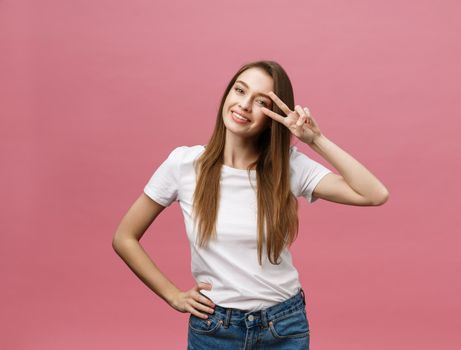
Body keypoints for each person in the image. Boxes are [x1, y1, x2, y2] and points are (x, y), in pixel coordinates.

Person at [112, 60, 389, 349]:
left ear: (274, 116)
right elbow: (124, 237)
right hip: (215, 328)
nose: (244, 105)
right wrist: (172, 294)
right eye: (240, 90)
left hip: (283, 325)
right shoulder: (184, 165)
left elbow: (374, 193)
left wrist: (315, 140)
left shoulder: (289, 167)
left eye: (260, 101)